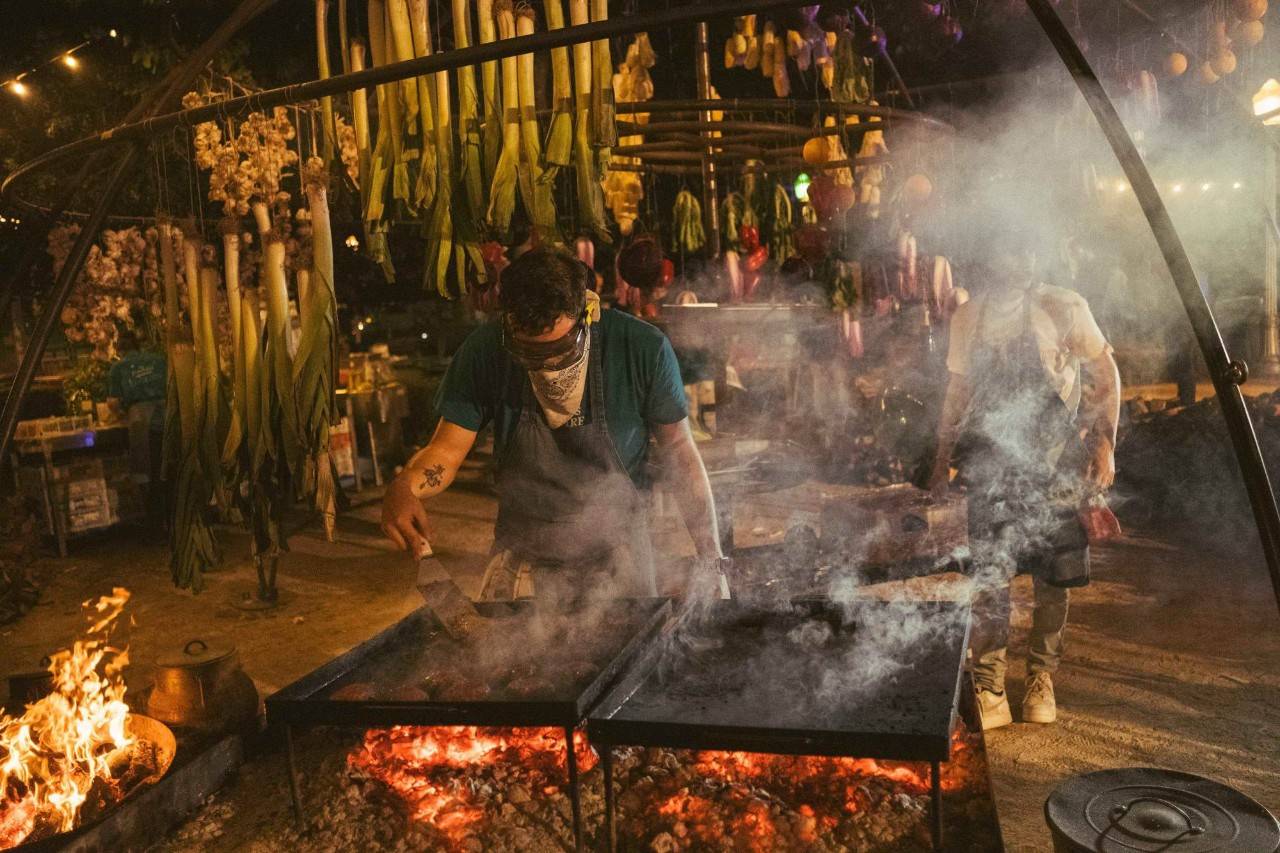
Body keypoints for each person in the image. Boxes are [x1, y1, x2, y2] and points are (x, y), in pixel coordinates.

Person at [382, 247, 730, 603]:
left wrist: (711, 558)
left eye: (562, 348)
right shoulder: (484, 351)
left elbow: (679, 454)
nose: (547, 364)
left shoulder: (641, 349)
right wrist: (406, 486)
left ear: (587, 314)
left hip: (621, 548)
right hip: (522, 548)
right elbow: (446, 450)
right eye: (530, 353)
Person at [928, 223, 1120, 730]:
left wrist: (1104, 440)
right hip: (990, 463)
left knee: (1055, 576)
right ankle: (990, 680)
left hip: (1056, 462)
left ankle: (1041, 676)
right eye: (1015, 245)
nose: (1027, 254)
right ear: (995, 255)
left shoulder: (1064, 305)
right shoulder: (969, 315)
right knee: (991, 576)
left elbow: (1106, 372)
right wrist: (940, 457)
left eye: (1032, 244)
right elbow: (958, 392)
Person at [105, 341, 167, 521]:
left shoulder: (119, 367)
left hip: (140, 420)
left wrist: (120, 413)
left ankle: (153, 519)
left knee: (145, 470)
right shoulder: (158, 360)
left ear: (119, 350)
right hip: (167, 415)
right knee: (167, 465)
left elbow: (113, 402)